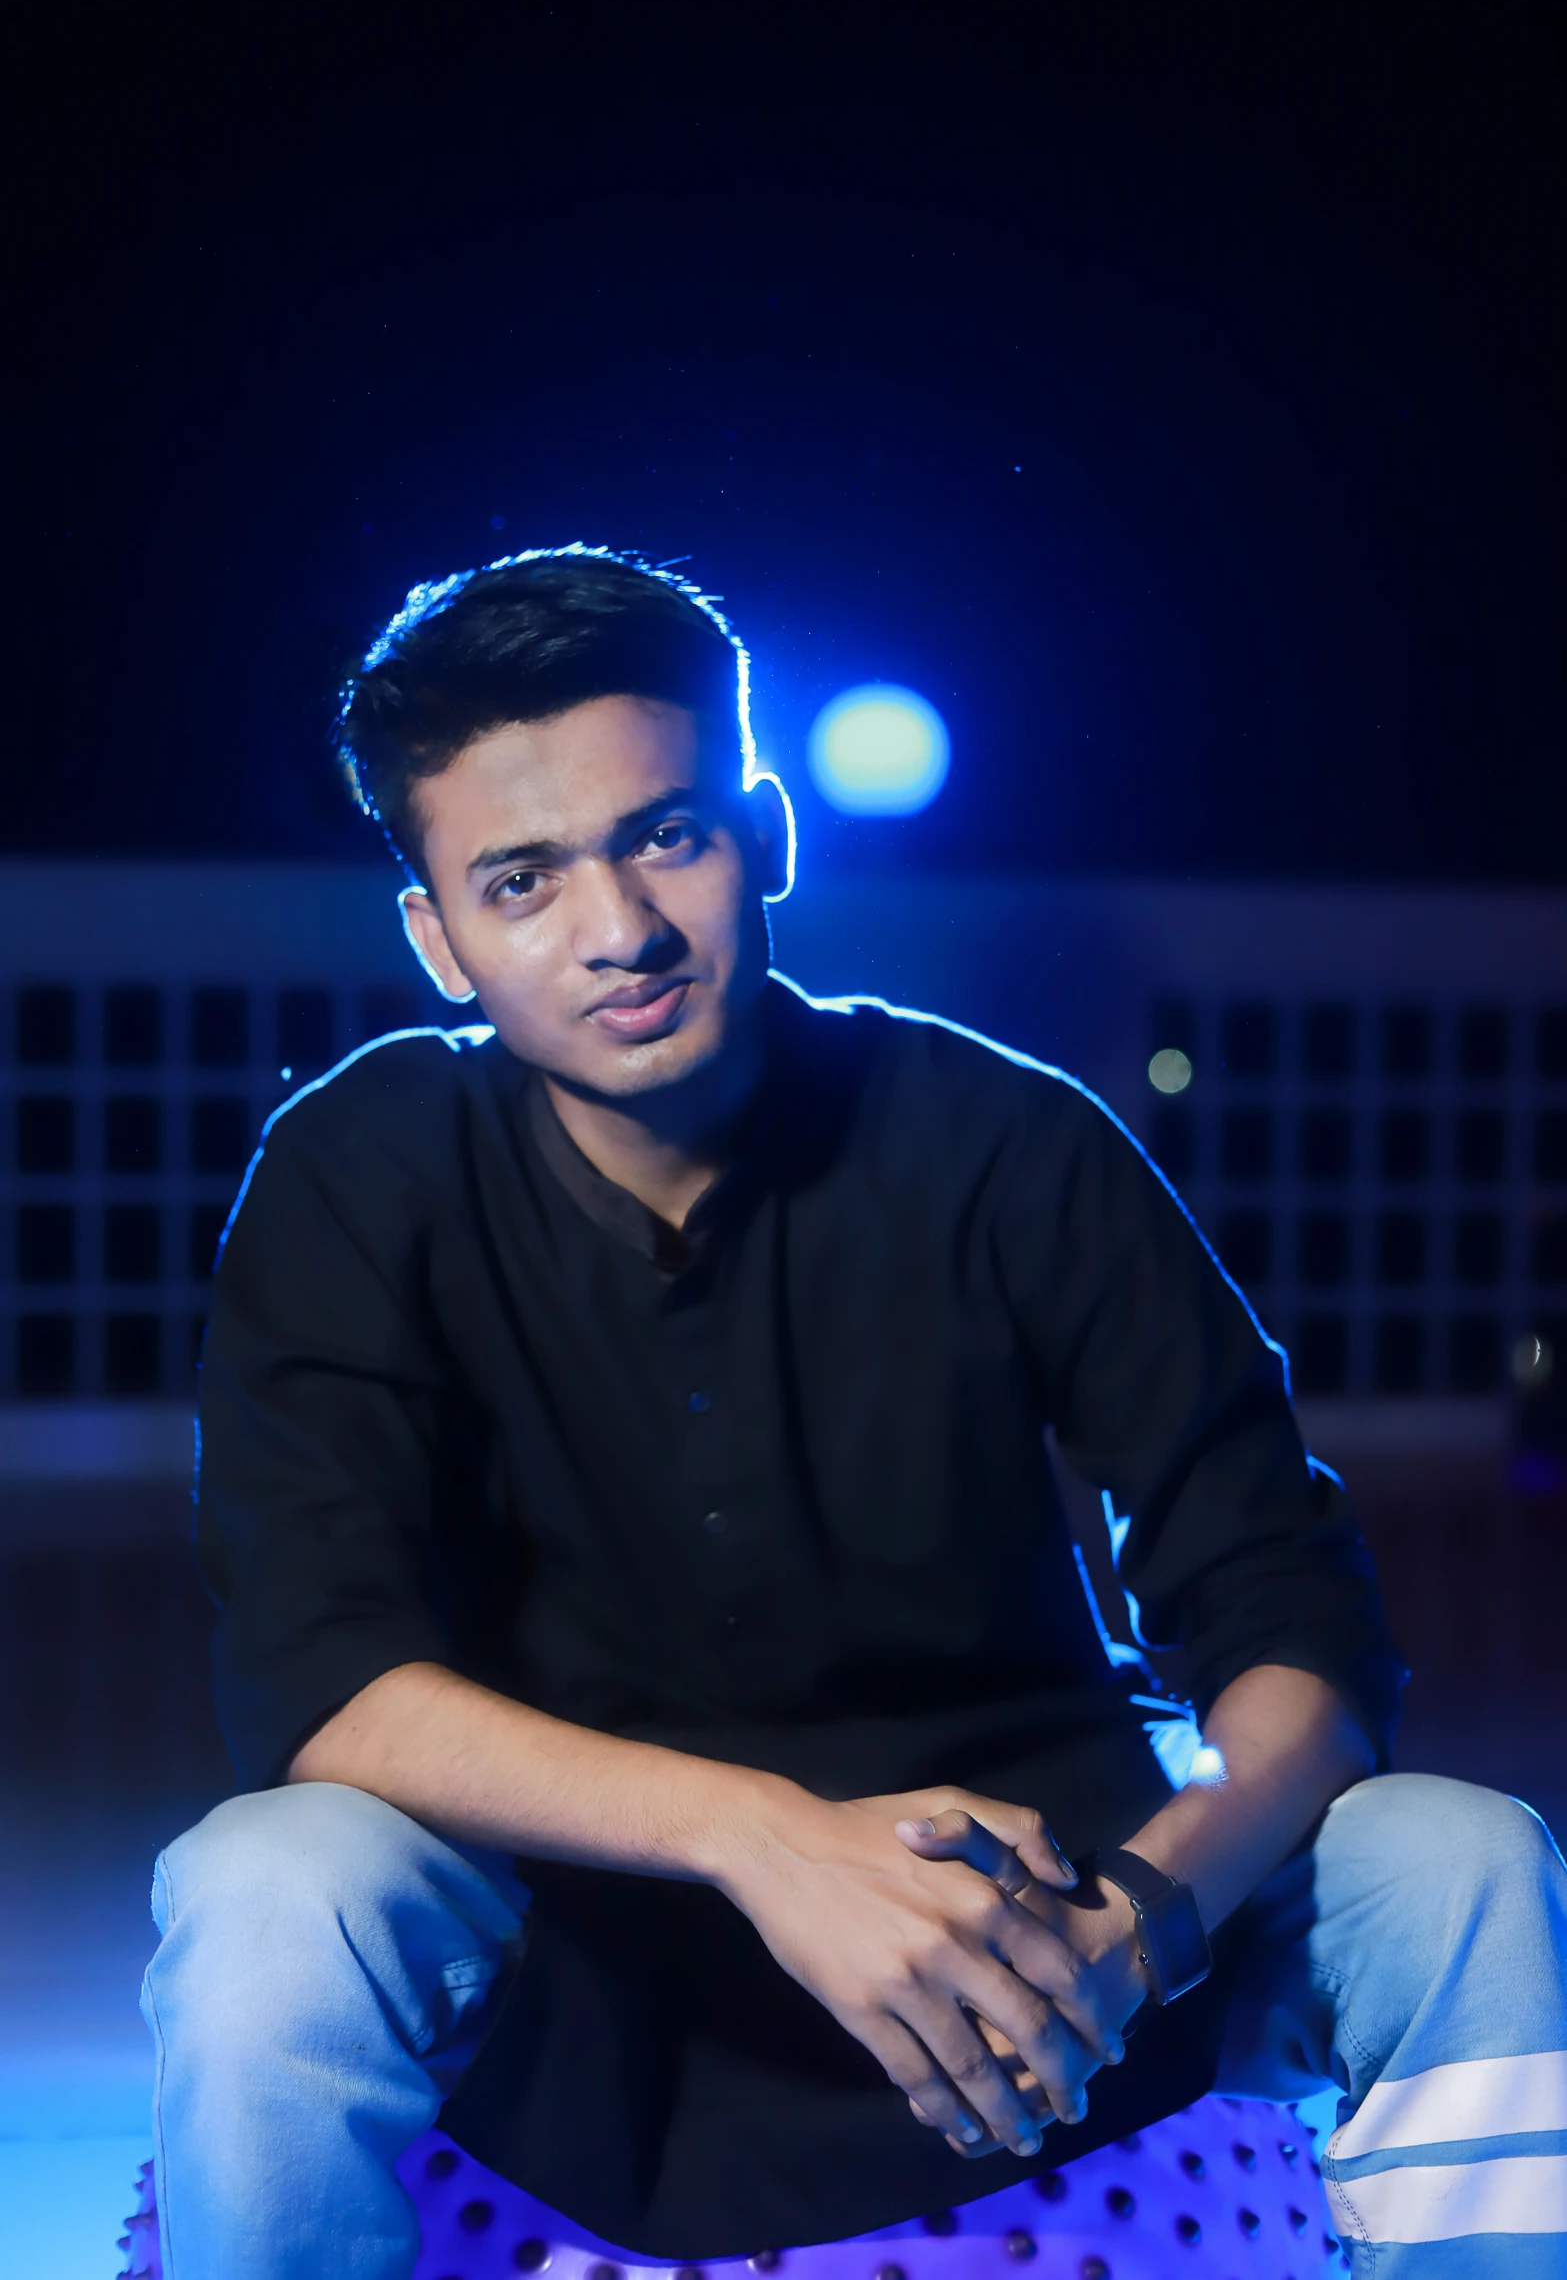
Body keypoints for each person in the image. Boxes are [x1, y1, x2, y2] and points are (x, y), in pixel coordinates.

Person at [142, 548, 1567, 2279]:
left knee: (1461, 1858)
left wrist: (1143, 1915)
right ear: (439, 936)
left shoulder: (1009, 1142)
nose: (619, 928)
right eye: (521, 879)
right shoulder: (355, 1173)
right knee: (267, 1887)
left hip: (1045, 1945)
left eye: (663, 833)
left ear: (764, 831)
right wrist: (757, 1837)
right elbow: (322, 1680)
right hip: (584, 1971)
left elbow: (1292, 1621)